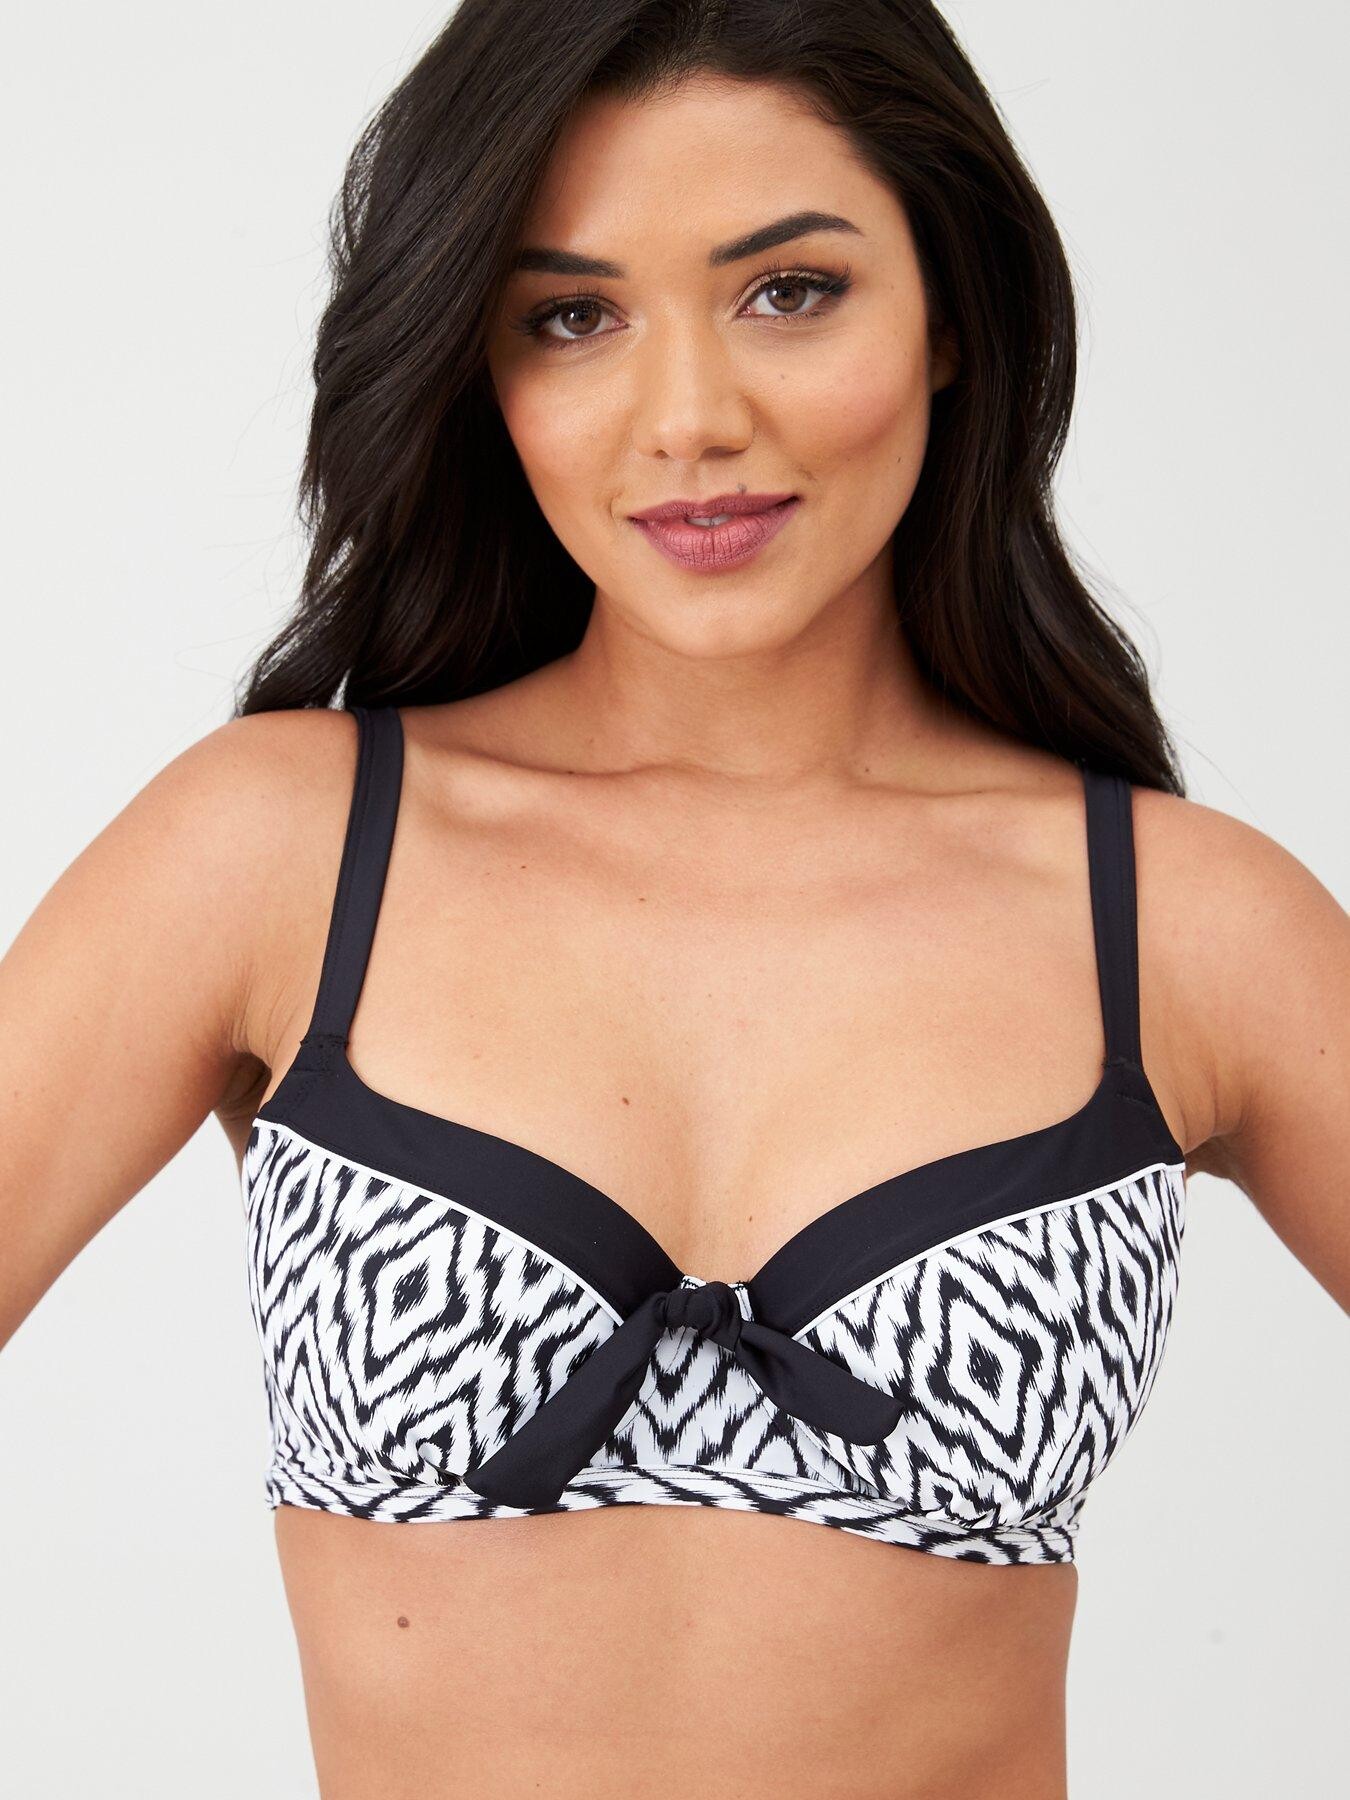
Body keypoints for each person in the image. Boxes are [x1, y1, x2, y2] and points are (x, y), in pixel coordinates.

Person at [2, 3, 1346, 1797]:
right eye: (573, 318)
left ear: (949, 311)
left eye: (789, 291)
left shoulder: (1180, 924)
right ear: (480, 366)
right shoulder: (283, 851)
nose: (692, 419)